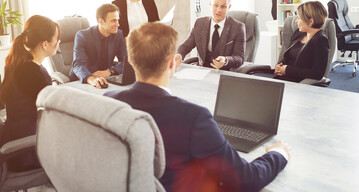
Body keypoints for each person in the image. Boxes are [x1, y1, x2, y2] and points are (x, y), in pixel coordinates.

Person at [105, 22, 290, 192]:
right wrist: (278, 153)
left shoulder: (109, 102)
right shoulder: (193, 117)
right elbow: (246, 179)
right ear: (172, 63)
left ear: (130, 60)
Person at [0, 15, 61, 171]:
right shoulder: (31, 72)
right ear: (45, 44)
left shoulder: (21, 63)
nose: (58, 42)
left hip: (18, 136)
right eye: (56, 39)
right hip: (27, 149)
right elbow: (54, 110)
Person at [178, 0, 246, 71]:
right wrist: (179, 55)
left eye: (223, 6)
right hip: (202, 71)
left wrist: (225, 60)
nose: (218, 10)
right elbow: (186, 45)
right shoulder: (199, 23)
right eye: (215, 5)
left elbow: (239, 58)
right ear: (210, 4)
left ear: (229, 7)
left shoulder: (238, 27)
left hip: (224, 73)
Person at [69, 3, 127, 88]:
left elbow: (126, 61)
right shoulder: (82, 36)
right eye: (113, 20)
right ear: (101, 21)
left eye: (118, 20)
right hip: (82, 80)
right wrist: (91, 79)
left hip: (105, 78)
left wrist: (111, 71)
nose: (118, 24)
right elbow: (78, 65)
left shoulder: (118, 35)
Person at [274, 1, 329, 82]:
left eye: (299, 18)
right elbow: (289, 57)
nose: (296, 21)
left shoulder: (321, 40)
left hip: (296, 83)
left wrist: (287, 70)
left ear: (310, 21)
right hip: (284, 78)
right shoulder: (299, 34)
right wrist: (280, 66)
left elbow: (317, 74)